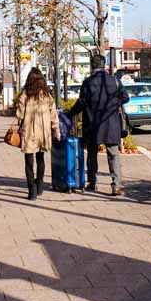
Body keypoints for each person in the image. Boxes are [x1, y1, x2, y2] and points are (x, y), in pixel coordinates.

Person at [68, 54, 129, 196]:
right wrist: (115, 103)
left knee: (92, 154)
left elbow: (81, 103)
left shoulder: (88, 82)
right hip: (111, 123)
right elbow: (126, 97)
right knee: (113, 154)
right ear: (104, 65)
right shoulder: (115, 81)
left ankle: (92, 182)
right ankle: (116, 186)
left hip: (93, 124)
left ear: (92, 66)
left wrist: (69, 114)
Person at [15, 67, 60, 200]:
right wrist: (56, 129)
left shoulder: (25, 95)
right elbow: (53, 114)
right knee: (41, 159)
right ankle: (39, 186)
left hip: (29, 132)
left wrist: (20, 123)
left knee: (29, 162)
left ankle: (32, 192)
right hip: (44, 132)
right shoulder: (46, 95)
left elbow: (20, 115)